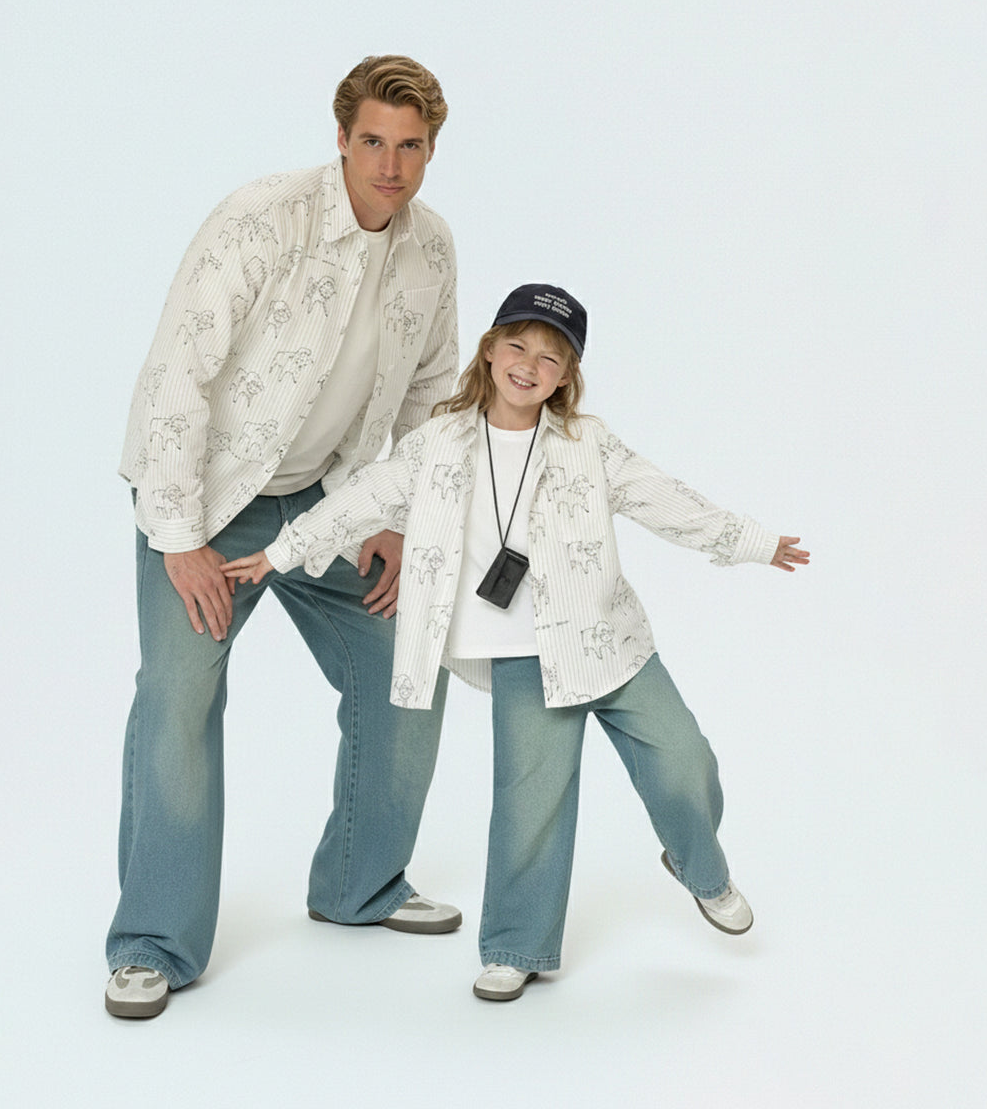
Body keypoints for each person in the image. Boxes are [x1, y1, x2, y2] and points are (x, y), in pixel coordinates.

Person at [223, 283, 810, 1002]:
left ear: (567, 377)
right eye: (518, 346)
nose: (530, 365)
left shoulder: (587, 443)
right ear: (491, 351)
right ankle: (514, 946)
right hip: (525, 657)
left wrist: (751, 541)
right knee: (529, 804)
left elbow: (667, 500)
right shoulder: (438, 443)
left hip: (610, 643)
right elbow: (362, 498)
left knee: (685, 764)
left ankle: (701, 869)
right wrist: (282, 553)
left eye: (551, 357)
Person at [105, 56, 462, 1020]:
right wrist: (178, 536)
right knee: (178, 697)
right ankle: (152, 941)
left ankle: (360, 885)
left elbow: (434, 394)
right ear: (341, 138)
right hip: (207, 501)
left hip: (327, 506)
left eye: (411, 146)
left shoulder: (431, 250)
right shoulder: (262, 220)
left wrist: (389, 517)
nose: (390, 165)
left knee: (407, 663)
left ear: (433, 151)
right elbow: (179, 371)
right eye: (374, 142)